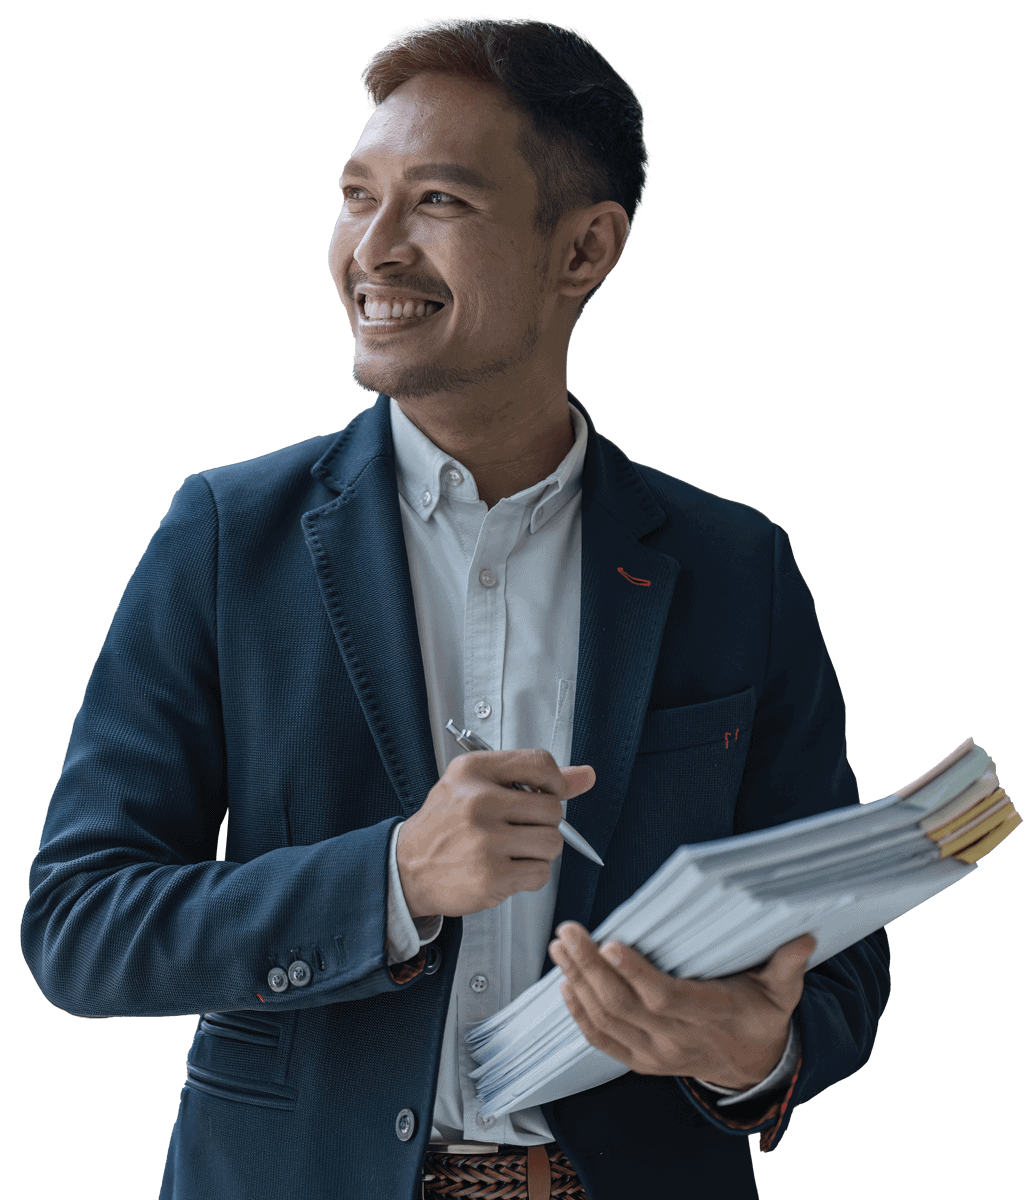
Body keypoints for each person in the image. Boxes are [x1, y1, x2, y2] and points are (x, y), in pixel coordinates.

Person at [21, 18, 890, 1200]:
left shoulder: (735, 568)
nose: (370, 250)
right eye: (353, 196)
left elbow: (837, 963)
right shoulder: (227, 540)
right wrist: (393, 879)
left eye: (434, 202)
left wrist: (752, 1054)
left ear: (581, 251)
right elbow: (79, 924)